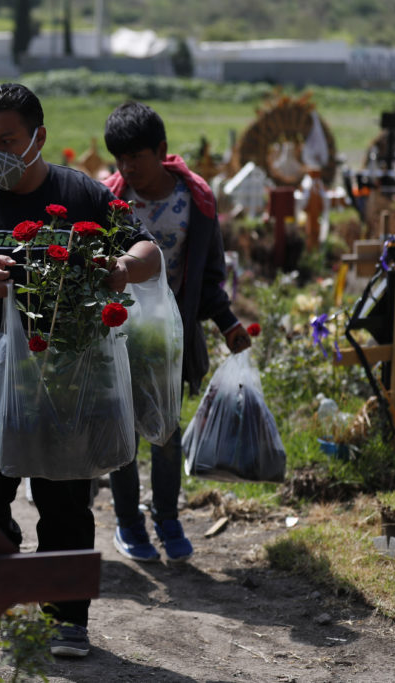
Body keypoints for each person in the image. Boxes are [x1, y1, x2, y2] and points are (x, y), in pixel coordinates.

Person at [0, 84, 160, 658]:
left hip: (66, 389)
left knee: (66, 506)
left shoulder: (81, 194)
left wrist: (122, 266)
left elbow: (147, 251)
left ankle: (65, 618)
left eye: (7, 140)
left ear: (39, 139)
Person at [102, 101, 252, 564]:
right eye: (120, 159)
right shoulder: (110, 200)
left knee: (166, 431)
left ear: (162, 151)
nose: (128, 168)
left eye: (137, 158)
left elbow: (207, 280)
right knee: (123, 433)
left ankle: (167, 516)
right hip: (118, 334)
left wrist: (228, 324)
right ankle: (129, 523)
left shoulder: (195, 202)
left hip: (170, 340)